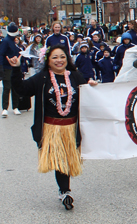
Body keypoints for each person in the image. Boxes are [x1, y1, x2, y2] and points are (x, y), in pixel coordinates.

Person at [7, 45, 98, 210]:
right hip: (51, 129)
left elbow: (88, 97)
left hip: (71, 128)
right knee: (61, 161)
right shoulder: (41, 78)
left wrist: (92, 86)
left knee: (68, 161)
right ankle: (65, 192)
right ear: (48, 60)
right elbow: (21, 90)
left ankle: (64, 190)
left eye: (62, 56)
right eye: (55, 57)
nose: (59, 60)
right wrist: (15, 69)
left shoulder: (76, 77)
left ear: (67, 59)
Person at [0, 23, 22, 117]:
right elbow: (1, 54)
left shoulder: (13, 41)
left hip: (14, 66)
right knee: (7, 87)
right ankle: (5, 108)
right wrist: (1, 67)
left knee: (15, 86)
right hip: (7, 67)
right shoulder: (6, 41)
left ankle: (15, 106)